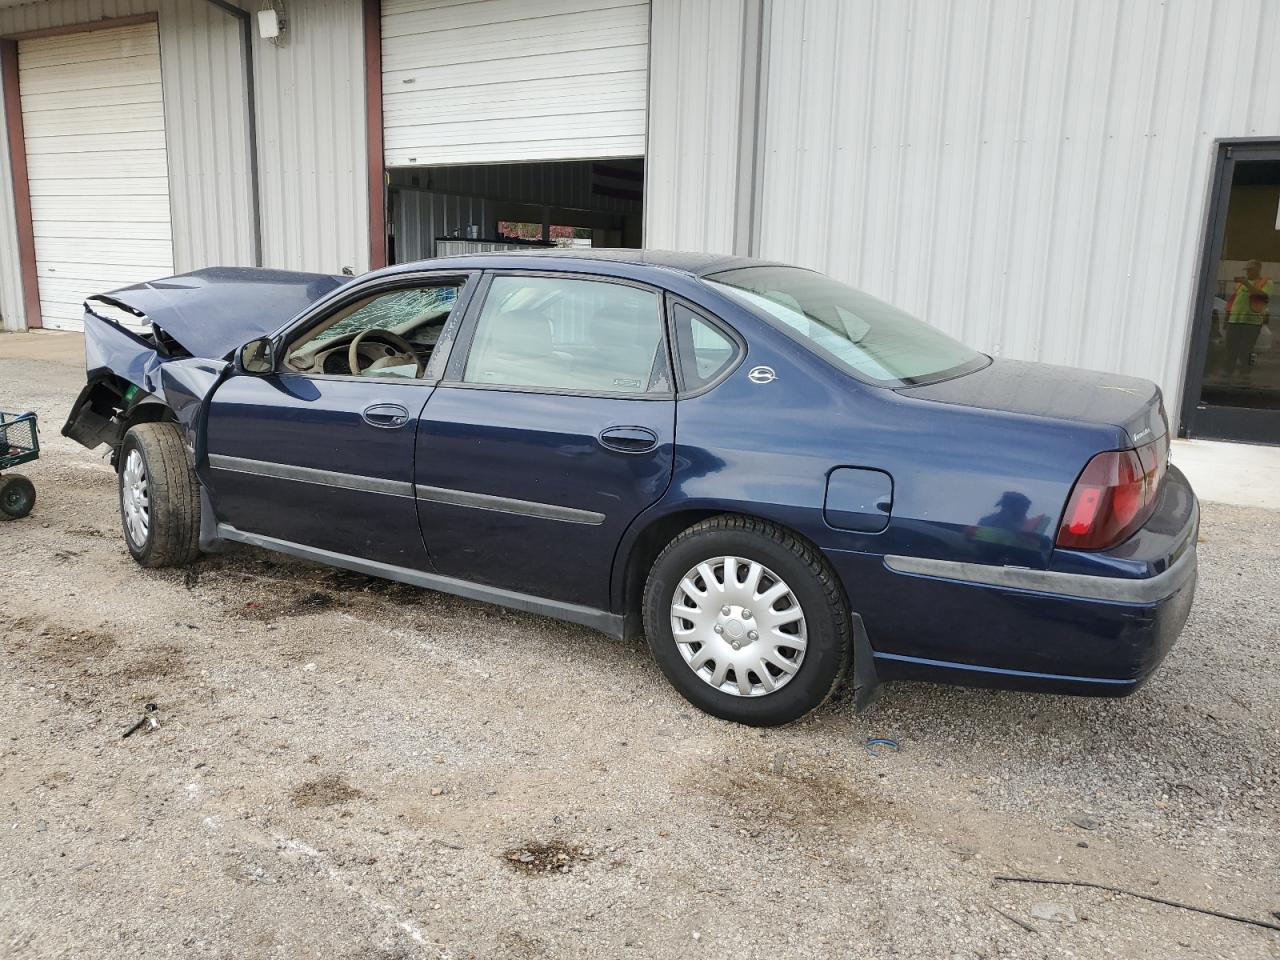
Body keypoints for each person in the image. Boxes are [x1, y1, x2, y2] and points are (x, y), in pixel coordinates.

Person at [1222, 259, 1273, 383]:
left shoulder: (1266, 282)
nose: (1248, 272)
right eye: (1247, 270)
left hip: (1252, 322)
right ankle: (1228, 372)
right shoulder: (1240, 284)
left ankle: (1245, 373)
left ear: (1258, 270)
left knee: (1246, 348)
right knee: (1230, 347)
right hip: (1234, 320)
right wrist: (1226, 318)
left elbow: (1263, 296)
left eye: (1250, 270)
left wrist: (1247, 284)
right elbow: (1233, 301)